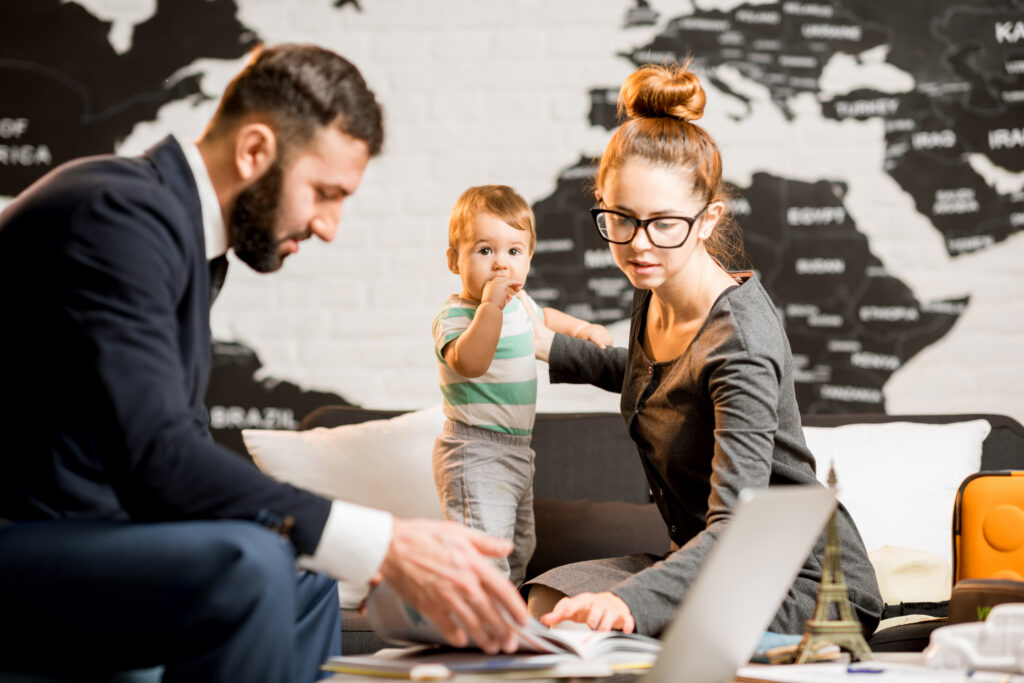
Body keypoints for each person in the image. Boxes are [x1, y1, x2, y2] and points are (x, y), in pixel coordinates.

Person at [0, 44, 527, 682]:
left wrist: (343, 542)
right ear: (254, 151)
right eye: (324, 193)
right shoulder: (118, 215)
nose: (330, 226)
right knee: (250, 565)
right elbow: (158, 457)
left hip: (72, 527)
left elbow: (174, 441)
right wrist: (384, 542)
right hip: (26, 534)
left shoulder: (183, 238)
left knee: (305, 578)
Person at [520, 63, 884, 638]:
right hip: (710, 561)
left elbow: (737, 525)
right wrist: (550, 347)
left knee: (617, 625)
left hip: (797, 581)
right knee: (548, 603)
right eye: (621, 219)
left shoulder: (740, 342)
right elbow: (661, 378)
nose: (639, 244)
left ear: (707, 217)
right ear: (603, 203)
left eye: (664, 223)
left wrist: (632, 604)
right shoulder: (657, 286)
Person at [432, 185, 612, 586]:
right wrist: (490, 307)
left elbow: (544, 318)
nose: (501, 265)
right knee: (486, 555)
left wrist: (581, 328)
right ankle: (481, 632)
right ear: (453, 259)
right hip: (473, 451)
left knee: (518, 551)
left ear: (529, 258)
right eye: (485, 251)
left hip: (517, 452)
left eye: (514, 252)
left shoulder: (519, 303)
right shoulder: (457, 316)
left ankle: (505, 622)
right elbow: (472, 362)